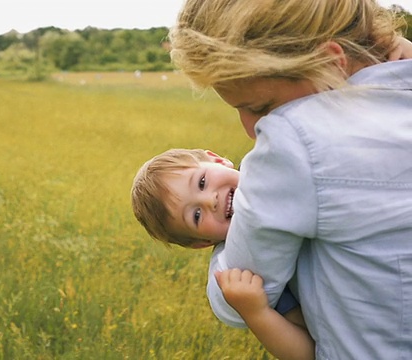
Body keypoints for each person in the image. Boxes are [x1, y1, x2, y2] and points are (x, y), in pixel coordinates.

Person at [167, 0, 412, 358]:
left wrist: (221, 232)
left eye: (261, 107)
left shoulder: (296, 141)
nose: (253, 130)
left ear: (331, 62)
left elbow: (232, 297)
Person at [131, 148, 314, 360]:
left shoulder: (267, 164)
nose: (211, 200)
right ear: (202, 242)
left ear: (217, 160)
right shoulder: (246, 269)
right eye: (196, 215)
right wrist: (257, 314)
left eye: (201, 182)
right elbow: (308, 353)